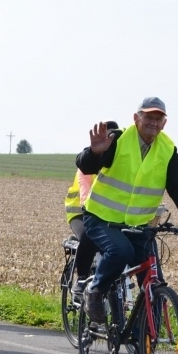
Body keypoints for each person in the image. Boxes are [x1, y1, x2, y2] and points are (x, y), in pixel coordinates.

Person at [76, 98, 178, 323]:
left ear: (164, 123)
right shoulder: (118, 139)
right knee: (120, 252)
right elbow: (86, 166)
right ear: (136, 118)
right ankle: (95, 291)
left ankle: (144, 344)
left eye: (158, 118)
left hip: (138, 224)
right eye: (148, 117)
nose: (153, 123)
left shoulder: (167, 149)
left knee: (152, 282)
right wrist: (94, 153)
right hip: (102, 218)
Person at [64, 121, 119, 299]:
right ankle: (81, 280)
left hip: (107, 213)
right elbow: (85, 191)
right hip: (79, 212)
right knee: (89, 234)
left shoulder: (119, 162)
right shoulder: (90, 161)